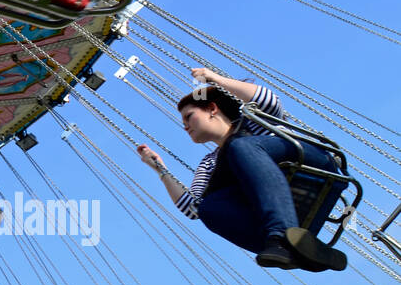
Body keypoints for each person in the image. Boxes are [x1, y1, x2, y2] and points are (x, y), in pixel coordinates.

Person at [137, 68, 347, 272]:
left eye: (189, 117)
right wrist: (160, 169)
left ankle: (281, 238)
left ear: (212, 109)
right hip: (290, 205)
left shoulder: (252, 121)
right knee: (208, 208)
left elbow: (268, 100)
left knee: (240, 146)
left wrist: (213, 78)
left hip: (310, 165)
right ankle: (295, 249)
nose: (185, 126)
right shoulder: (210, 163)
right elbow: (192, 208)